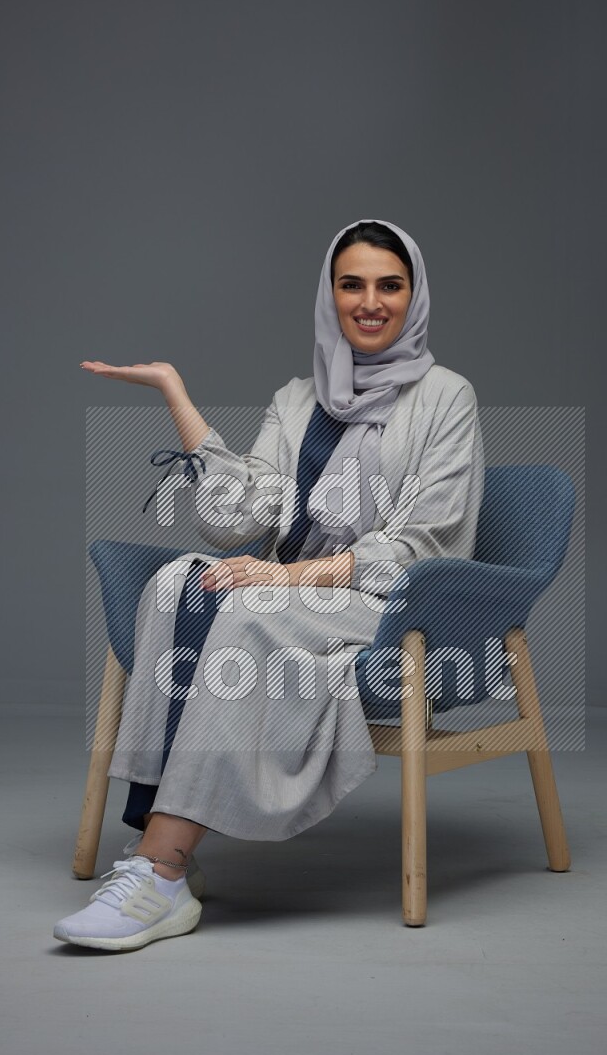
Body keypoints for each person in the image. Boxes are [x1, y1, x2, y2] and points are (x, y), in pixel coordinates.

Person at [54, 218, 484, 951]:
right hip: (288, 587)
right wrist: (174, 392)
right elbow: (239, 517)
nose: (371, 301)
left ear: (415, 296)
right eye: (352, 284)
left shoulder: (447, 398)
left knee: (251, 613)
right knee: (175, 586)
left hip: (388, 603)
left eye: (390, 284)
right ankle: (160, 848)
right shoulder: (297, 398)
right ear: (330, 295)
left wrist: (285, 576)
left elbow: (423, 543)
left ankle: (159, 870)